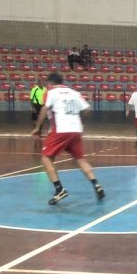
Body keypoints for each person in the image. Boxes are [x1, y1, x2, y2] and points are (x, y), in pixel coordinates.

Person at [31, 73, 105, 205]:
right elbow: (87, 109)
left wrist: (37, 128)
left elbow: (44, 109)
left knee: (46, 158)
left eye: (47, 83)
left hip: (60, 129)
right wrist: (78, 119)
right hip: (76, 129)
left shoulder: (51, 93)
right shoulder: (74, 92)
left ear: (50, 83)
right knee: (80, 159)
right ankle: (96, 184)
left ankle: (59, 189)